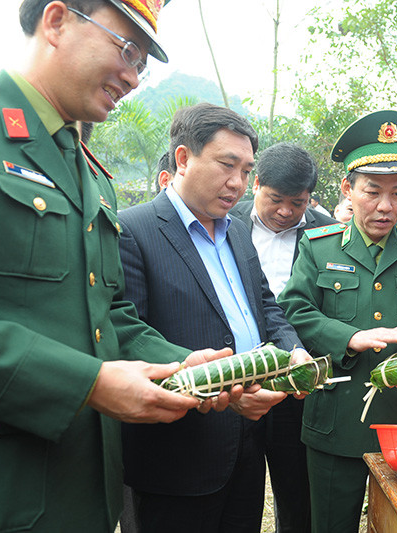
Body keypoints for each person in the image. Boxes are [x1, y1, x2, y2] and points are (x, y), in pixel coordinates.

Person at [0, 1, 245, 531]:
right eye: (126, 49)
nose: (133, 77)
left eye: (143, 62)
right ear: (58, 21)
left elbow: (106, 313)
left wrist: (182, 365)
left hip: (84, 493)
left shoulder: (91, 176)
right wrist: (88, 384)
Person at [118, 103, 310, 533]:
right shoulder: (132, 230)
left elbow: (266, 307)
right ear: (183, 159)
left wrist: (292, 350)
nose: (238, 183)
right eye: (228, 166)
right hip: (176, 457)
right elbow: (125, 328)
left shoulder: (237, 232)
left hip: (245, 444)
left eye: (246, 171)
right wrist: (202, 374)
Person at [278, 110, 397, 533]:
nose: (386, 206)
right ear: (348, 189)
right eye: (373, 192)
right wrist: (350, 337)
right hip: (335, 420)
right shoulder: (318, 247)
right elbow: (295, 309)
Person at [230, 142, 336, 533]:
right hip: (238, 377)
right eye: (276, 199)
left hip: (297, 378)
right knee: (238, 486)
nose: (287, 211)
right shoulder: (226, 220)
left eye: (299, 202)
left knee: (296, 489)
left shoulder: (326, 231)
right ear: (256, 184)